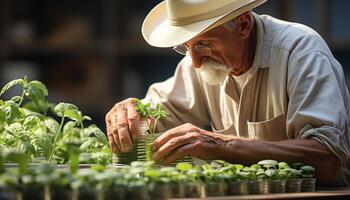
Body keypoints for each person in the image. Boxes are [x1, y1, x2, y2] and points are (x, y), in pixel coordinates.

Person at [105, 0, 350, 186]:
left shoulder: (301, 53)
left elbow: (326, 159)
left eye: (205, 43)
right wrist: (130, 114)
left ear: (243, 25)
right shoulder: (197, 64)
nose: (196, 62)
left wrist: (223, 145)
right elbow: (156, 113)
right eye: (186, 47)